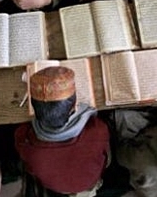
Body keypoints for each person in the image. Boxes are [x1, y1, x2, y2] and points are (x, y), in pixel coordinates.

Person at [15, 66, 110, 196]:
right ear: (74, 107)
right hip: (88, 182)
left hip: (57, 187)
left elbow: (21, 137)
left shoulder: (28, 143)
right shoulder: (97, 131)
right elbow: (104, 154)